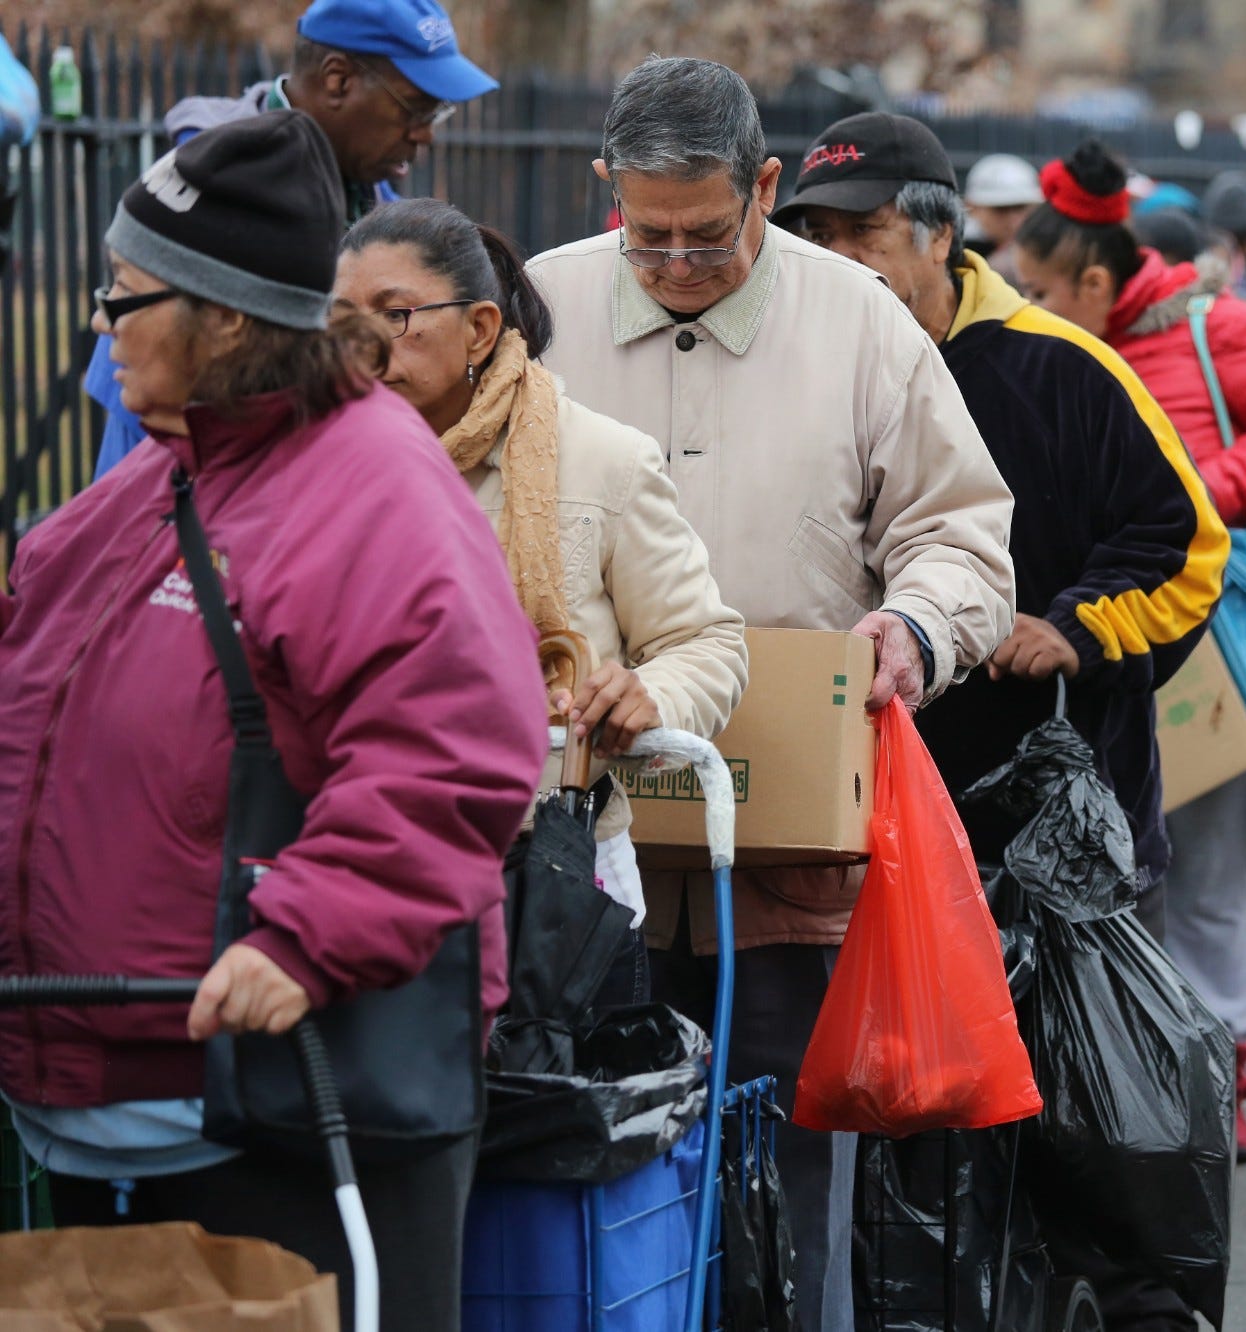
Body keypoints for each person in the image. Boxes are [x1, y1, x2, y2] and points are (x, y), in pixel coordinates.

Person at [0, 113, 545, 1332]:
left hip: (286, 1106)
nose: (99, 323)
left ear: (226, 321)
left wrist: (305, 938)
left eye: (126, 297)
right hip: (95, 1104)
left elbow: (453, 751)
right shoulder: (136, 490)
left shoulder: (370, 486)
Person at [526, 58, 1016, 1332]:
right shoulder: (536, 309)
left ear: (764, 186)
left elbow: (961, 533)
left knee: (787, 1158)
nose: (679, 264)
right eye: (650, 237)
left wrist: (916, 627)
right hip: (585, 838)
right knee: (591, 1156)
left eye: (709, 234)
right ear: (606, 194)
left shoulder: (860, 320)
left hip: (795, 841)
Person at [779, 111, 1229, 1329]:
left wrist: (1073, 627)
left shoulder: (1060, 365)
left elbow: (1185, 549)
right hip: (864, 827)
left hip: (1047, 842)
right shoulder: (799, 365)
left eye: (860, 231)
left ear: (937, 237)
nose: (836, 257)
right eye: (812, 234)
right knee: (911, 1141)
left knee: (1071, 1128)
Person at [1013, 140, 1246, 1167]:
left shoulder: (1217, 328)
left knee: (1202, 862)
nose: (1029, 304)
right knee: (1120, 864)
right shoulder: (1042, 349)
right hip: (1076, 640)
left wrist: (1200, 492)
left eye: (1041, 289)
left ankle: (1221, 1055)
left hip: (1197, 632)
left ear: (1097, 280)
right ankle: (1133, 1068)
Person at [335, 198, 750, 1004]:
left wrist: (646, 693)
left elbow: (706, 642)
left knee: (548, 1122)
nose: (361, 347)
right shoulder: (314, 464)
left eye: (395, 316)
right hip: (361, 866)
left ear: (480, 330)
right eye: (341, 321)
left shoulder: (600, 461)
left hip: (556, 877)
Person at [86, 0, 498, 481]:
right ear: (338, 78)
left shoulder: (373, 201)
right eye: (415, 106)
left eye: (438, 112)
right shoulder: (210, 187)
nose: (425, 133)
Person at [962, 151, 1044, 288]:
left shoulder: (1052, 253)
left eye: (1020, 207)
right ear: (972, 207)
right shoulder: (953, 253)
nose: (1013, 219)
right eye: (1001, 209)